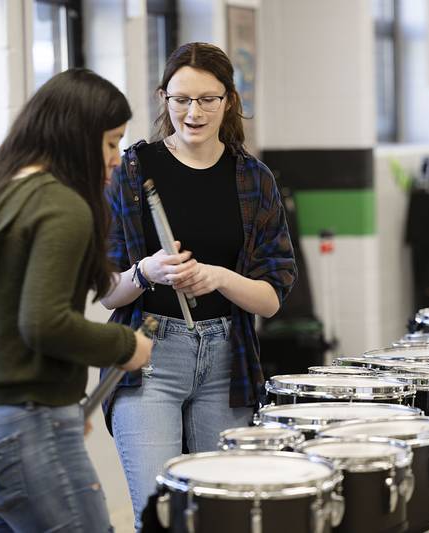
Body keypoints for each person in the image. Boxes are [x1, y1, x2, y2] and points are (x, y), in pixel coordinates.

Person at [0, 68, 153, 532]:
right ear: (77, 137)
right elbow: (44, 323)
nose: (116, 159)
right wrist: (125, 346)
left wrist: (58, 403)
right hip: (24, 431)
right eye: (111, 142)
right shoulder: (63, 205)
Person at [100, 42, 297, 528]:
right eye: (181, 99)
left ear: (229, 100)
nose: (193, 112)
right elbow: (108, 291)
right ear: (163, 97)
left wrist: (219, 277)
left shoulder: (254, 178)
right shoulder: (130, 170)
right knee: (161, 514)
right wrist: (147, 271)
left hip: (228, 359)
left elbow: (270, 299)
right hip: (149, 353)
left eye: (208, 99)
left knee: (221, 515)